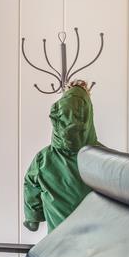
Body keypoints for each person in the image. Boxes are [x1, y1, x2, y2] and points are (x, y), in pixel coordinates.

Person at [23, 81, 100, 232]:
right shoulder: (103, 157)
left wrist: (33, 217)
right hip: (95, 242)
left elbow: (30, 186)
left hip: (58, 242)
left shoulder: (44, 159)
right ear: (88, 115)